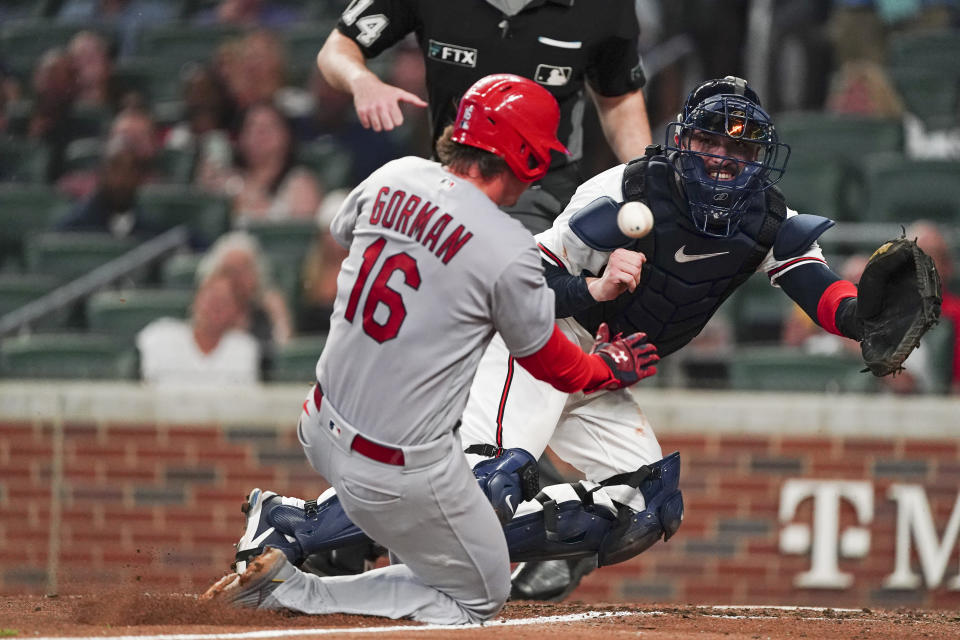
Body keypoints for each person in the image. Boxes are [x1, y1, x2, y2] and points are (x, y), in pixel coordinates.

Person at [218, 76, 920, 603]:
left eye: (739, 147)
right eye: (709, 140)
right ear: (683, 139)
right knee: (489, 483)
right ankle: (297, 525)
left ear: (760, 155)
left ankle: (434, 571)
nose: (723, 158)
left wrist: (858, 318)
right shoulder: (620, 193)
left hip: (606, 370)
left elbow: (811, 282)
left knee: (641, 507)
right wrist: (599, 289)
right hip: (540, 346)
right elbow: (524, 293)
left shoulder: (769, 216)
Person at [200, 73, 659, 625]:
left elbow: (350, 236)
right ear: (525, 158)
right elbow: (554, 367)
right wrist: (607, 366)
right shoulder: (507, 248)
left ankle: (294, 524)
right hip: (398, 469)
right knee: (478, 597)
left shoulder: (394, 174)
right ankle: (295, 591)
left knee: (433, 531)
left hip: (318, 425)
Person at [315, 0, 653, 234]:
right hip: (451, 177)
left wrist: (649, 180)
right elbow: (338, 47)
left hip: (543, 189)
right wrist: (361, 79)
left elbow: (619, 99)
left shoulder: (604, 7)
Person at [196, 100, 323, 225]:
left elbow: (299, 234)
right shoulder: (228, 180)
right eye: (251, 128)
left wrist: (249, 200)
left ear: (286, 136)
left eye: (266, 129)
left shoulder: (300, 182)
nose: (257, 136)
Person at [137, 272, 260, 386]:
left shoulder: (244, 348)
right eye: (210, 298)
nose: (214, 306)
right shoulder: (160, 334)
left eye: (224, 302)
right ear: (196, 299)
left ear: (237, 312)